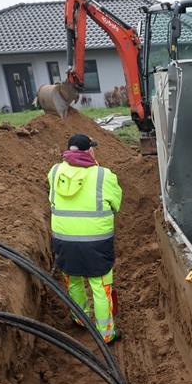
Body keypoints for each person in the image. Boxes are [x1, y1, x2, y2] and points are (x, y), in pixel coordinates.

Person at [48, 133, 123, 343]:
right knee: (100, 287)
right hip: (96, 243)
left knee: (73, 281)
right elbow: (116, 204)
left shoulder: (54, 172)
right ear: (89, 150)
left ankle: (80, 319)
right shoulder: (103, 175)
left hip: (64, 241)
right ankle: (106, 334)